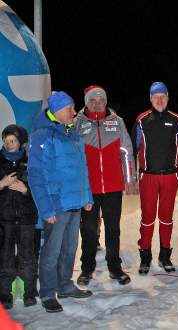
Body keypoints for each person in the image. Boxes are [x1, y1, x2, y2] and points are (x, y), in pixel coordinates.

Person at [28, 91, 94, 313]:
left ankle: (65, 285)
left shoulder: (71, 132)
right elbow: (36, 175)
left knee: (69, 249)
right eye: (70, 109)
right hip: (56, 206)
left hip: (75, 202)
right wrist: (46, 209)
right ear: (56, 111)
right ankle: (47, 292)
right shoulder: (43, 135)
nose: (74, 113)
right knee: (52, 252)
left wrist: (87, 197)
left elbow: (82, 168)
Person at [75, 85, 136, 286]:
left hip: (112, 186)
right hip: (88, 189)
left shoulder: (116, 122)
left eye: (101, 100)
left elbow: (126, 151)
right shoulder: (78, 123)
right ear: (86, 102)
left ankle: (114, 267)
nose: (97, 103)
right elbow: (73, 157)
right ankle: (87, 268)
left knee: (113, 229)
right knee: (89, 230)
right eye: (93, 100)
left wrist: (129, 179)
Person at [133, 82, 178, 274]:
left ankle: (165, 256)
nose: (160, 100)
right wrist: (133, 176)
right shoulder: (142, 120)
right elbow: (134, 148)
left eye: (163, 96)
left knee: (166, 218)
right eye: (156, 97)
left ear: (168, 98)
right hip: (148, 176)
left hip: (170, 176)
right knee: (147, 218)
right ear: (150, 99)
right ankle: (145, 255)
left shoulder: (177, 120)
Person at [0, 125, 38, 309]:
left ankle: (29, 293)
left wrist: (25, 190)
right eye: (6, 141)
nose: (9, 144)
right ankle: (5, 295)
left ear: (21, 141)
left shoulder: (32, 162)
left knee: (27, 257)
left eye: (12, 140)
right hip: (4, 219)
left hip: (26, 219)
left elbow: (41, 190)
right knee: (5, 257)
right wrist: (1, 184)